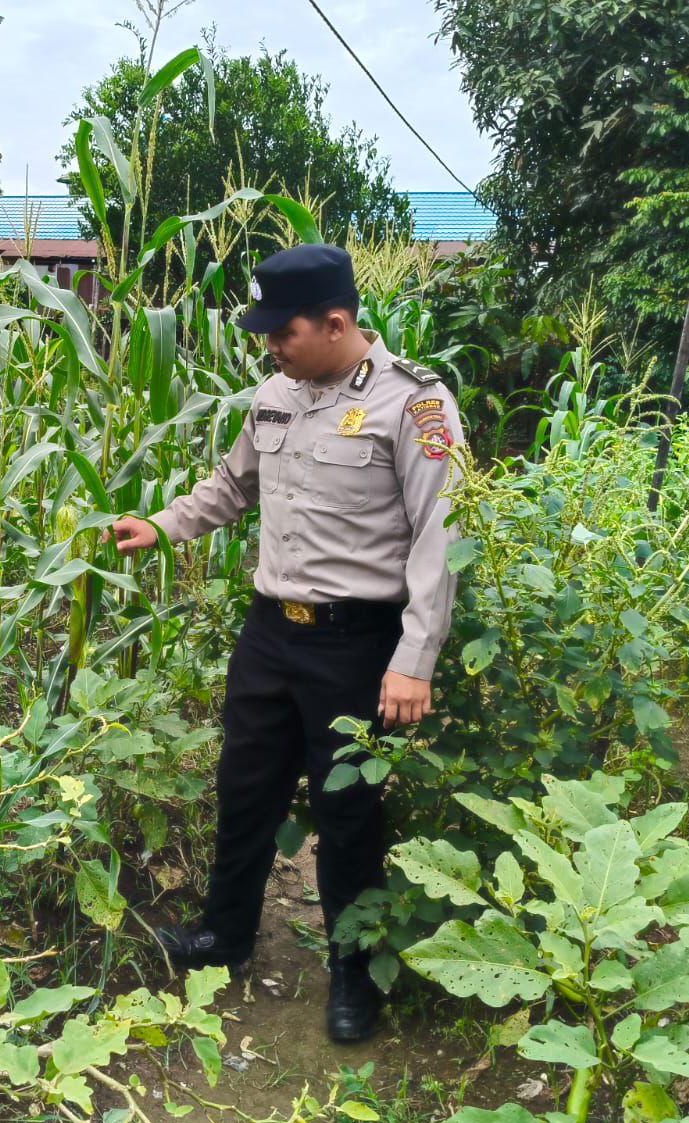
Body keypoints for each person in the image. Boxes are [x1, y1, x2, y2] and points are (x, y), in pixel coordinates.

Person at [110, 243, 464, 1043]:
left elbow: (441, 539)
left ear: (336, 323)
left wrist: (414, 660)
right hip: (271, 633)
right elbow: (233, 485)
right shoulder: (277, 393)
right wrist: (163, 525)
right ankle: (225, 938)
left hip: (355, 644)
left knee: (346, 815)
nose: (270, 345)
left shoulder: (414, 408)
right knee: (245, 793)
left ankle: (351, 972)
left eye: (284, 331)